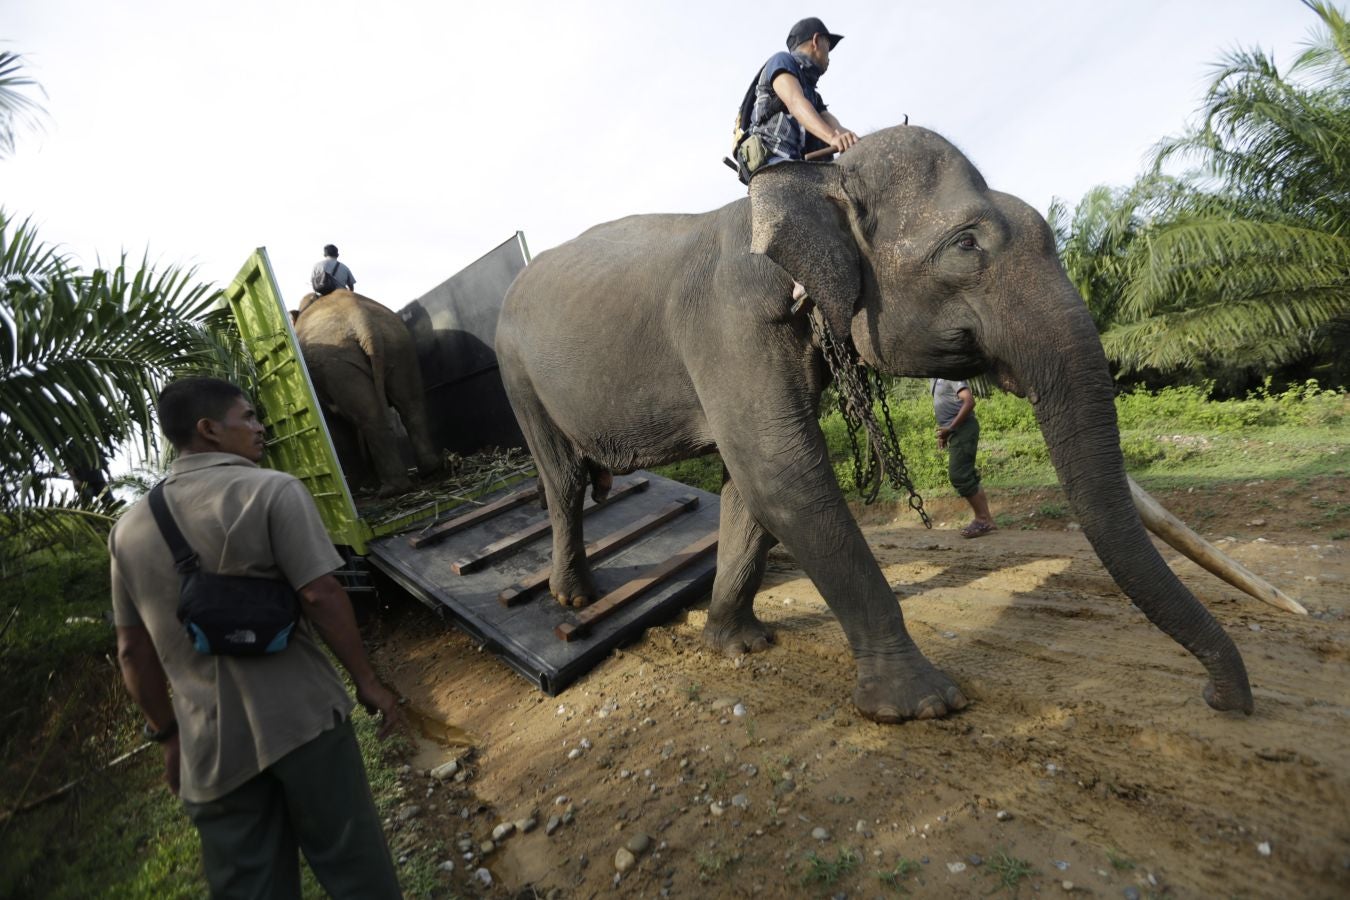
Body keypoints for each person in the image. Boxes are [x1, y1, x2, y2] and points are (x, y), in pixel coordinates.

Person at [109, 376, 404, 898]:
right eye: (247, 416)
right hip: (304, 723)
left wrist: (171, 737)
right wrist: (367, 681)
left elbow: (133, 651)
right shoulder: (272, 489)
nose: (259, 426)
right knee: (357, 872)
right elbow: (320, 594)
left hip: (211, 749)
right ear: (209, 430)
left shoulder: (127, 531)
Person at [740, 17, 859, 176]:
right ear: (816, 40)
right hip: (773, 163)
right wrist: (831, 138)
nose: (829, 55)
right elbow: (795, 102)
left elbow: (836, 128)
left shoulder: (814, 96)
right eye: (828, 46)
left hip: (799, 166)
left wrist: (861, 143)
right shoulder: (782, 61)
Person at [932, 378, 996, 538]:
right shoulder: (934, 378)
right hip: (955, 430)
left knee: (959, 475)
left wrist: (951, 428)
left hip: (963, 428)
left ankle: (982, 519)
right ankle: (987, 519)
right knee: (969, 475)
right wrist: (946, 432)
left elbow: (969, 401)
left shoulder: (951, 374)